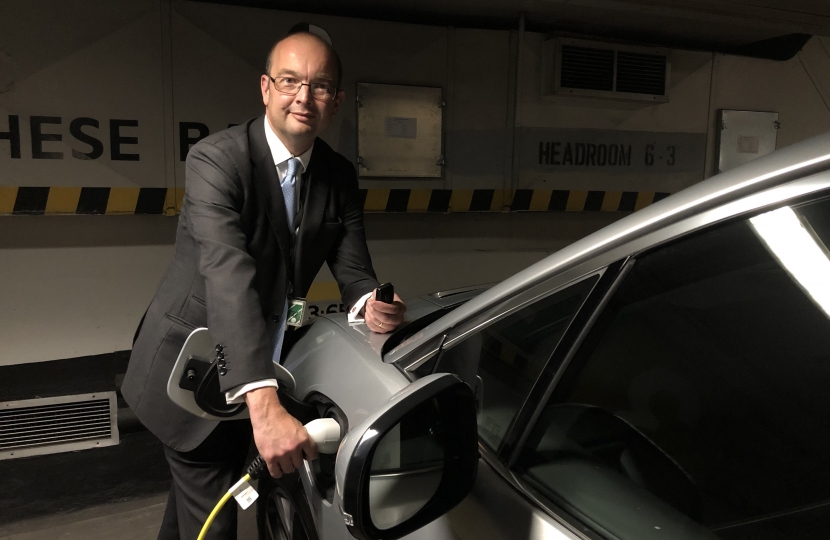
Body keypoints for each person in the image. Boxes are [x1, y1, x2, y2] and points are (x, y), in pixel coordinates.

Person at [122, 28, 406, 540]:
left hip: (260, 365)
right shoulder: (217, 160)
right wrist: (262, 400)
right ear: (265, 87)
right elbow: (228, 276)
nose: (304, 97)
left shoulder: (338, 176)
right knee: (213, 513)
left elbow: (354, 268)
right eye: (290, 81)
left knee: (197, 508)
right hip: (193, 371)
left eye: (320, 86)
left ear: (336, 100)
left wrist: (370, 301)